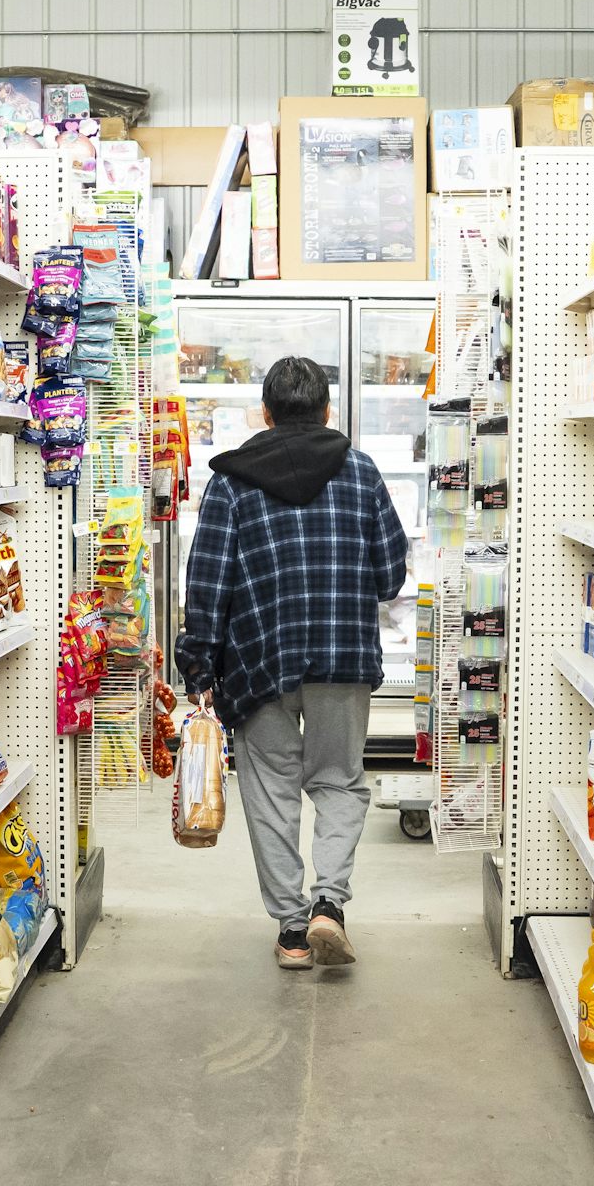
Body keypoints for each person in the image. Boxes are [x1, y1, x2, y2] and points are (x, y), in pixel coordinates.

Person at [175, 355, 411, 971]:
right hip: (342, 656)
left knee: (270, 791)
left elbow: (208, 580)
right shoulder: (360, 473)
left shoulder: (230, 481)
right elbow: (389, 577)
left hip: (259, 661)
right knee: (339, 782)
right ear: (328, 411)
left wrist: (197, 663)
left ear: (266, 413)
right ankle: (329, 901)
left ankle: (292, 930)